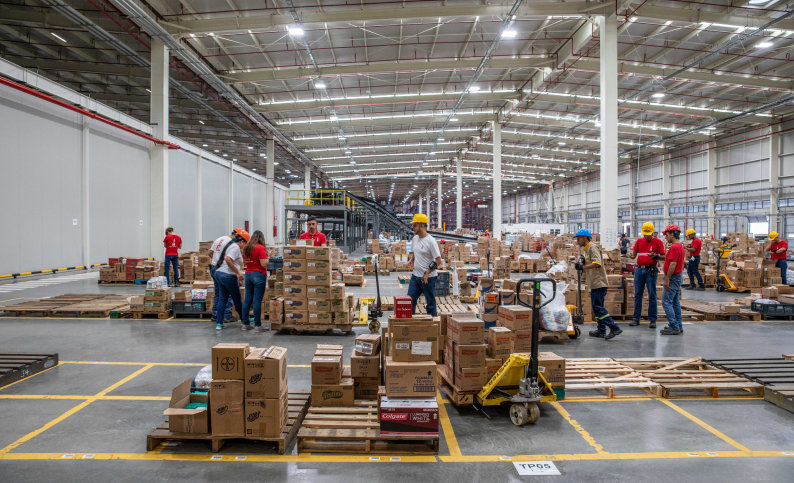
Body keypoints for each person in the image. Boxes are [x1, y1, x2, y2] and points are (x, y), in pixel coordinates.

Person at [574, 229, 622, 340]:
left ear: (585, 238)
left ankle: (614, 327)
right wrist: (581, 261)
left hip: (599, 282)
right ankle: (601, 330)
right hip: (594, 283)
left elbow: (597, 263)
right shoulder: (586, 249)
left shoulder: (592, 247)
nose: (577, 240)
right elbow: (589, 260)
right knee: (597, 307)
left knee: (598, 307)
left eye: (579, 238)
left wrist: (583, 267)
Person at [627, 222, 666, 329]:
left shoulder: (658, 242)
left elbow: (664, 256)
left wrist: (655, 256)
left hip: (651, 270)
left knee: (652, 295)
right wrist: (631, 256)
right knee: (638, 295)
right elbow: (634, 254)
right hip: (640, 270)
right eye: (644, 234)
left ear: (652, 232)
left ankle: (653, 319)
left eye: (648, 234)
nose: (646, 236)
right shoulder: (639, 241)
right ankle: (636, 318)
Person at [406, 213, 443, 316]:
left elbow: (438, 260)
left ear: (421, 226)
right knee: (410, 301)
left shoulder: (431, 241)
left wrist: (427, 273)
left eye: (415, 225)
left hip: (428, 278)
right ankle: (409, 325)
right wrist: (411, 261)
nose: (413, 227)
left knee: (430, 303)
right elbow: (415, 253)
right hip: (415, 277)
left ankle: (433, 326)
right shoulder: (415, 239)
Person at [213, 228, 249, 331]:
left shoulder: (229, 245)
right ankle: (244, 321)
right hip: (228, 275)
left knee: (222, 299)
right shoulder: (235, 248)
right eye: (245, 243)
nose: (245, 246)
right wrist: (237, 273)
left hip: (219, 273)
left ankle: (219, 323)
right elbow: (228, 260)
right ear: (242, 241)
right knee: (237, 300)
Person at [241, 230, 268, 333]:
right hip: (258, 275)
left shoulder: (246, 248)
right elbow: (264, 264)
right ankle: (258, 325)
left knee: (247, 299)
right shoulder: (260, 248)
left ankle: (245, 324)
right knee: (257, 301)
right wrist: (268, 257)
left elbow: (245, 262)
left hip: (248, 274)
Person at [660, 225, 685, 335]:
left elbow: (673, 264)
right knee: (675, 302)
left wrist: (667, 279)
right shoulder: (680, 246)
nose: (665, 237)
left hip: (673, 277)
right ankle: (678, 325)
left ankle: (674, 326)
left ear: (672, 234)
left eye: (666, 235)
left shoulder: (674, 247)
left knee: (666, 302)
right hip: (677, 276)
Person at [210, 233, 235, 324]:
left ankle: (215, 314)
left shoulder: (218, 239)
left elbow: (210, 253)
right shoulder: (231, 242)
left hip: (214, 268)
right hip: (223, 269)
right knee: (227, 292)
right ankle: (227, 315)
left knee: (217, 292)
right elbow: (229, 259)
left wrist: (216, 261)